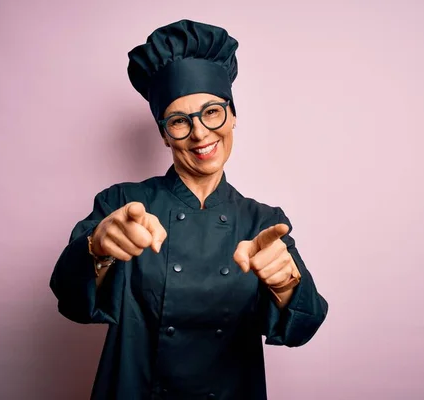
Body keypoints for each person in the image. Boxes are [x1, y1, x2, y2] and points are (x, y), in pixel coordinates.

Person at [50, 19, 328, 400]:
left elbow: (304, 328)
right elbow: (70, 301)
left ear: (232, 115)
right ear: (164, 133)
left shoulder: (263, 222)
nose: (199, 133)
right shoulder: (123, 205)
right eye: (180, 121)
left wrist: (286, 284)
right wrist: (96, 250)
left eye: (212, 112)